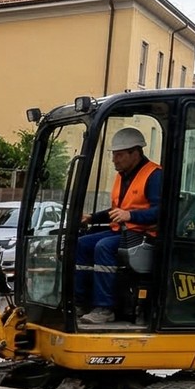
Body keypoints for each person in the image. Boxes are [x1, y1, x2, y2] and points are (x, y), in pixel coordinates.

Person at [75, 126, 161, 325]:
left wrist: (130, 215)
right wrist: (92, 218)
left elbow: (161, 211)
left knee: (103, 246)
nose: (114, 159)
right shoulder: (123, 176)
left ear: (135, 153)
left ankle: (105, 308)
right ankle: (80, 302)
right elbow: (117, 210)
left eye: (119, 155)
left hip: (144, 235)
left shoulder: (154, 175)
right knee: (81, 244)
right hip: (122, 232)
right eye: (114, 155)